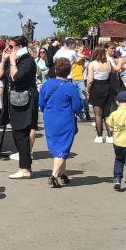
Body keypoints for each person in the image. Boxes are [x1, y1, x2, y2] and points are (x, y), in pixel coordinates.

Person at [39, 56, 83, 187]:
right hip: (65, 119)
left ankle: (63, 173)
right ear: (69, 71)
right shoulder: (71, 87)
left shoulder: (47, 84)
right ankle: (54, 175)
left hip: (49, 117)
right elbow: (77, 106)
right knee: (63, 147)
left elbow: (41, 103)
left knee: (56, 146)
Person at [1, 36, 39, 180]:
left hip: (25, 100)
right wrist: (5, 59)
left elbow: (16, 77)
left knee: (21, 133)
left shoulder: (27, 60)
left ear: (19, 47)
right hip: (16, 99)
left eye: (11, 47)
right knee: (18, 133)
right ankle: (25, 167)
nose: (8, 49)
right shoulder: (17, 59)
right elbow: (0, 75)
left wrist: (11, 61)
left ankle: (25, 169)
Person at [87, 46, 114, 143]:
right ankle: (110, 136)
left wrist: (88, 89)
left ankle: (99, 136)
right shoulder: (108, 63)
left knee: (98, 114)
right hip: (107, 87)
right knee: (107, 113)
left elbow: (90, 80)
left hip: (96, 88)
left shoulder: (92, 64)